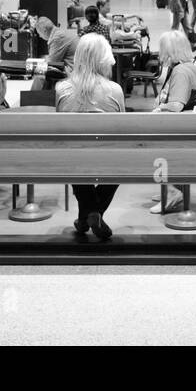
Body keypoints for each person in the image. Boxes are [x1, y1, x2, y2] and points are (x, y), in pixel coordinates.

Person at [54, 34, 124, 239]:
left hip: (71, 159)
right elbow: (122, 131)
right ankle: (94, 213)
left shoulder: (62, 89)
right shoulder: (115, 90)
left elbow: (60, 130)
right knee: (120, 165)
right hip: (108, 159)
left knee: (73, 156)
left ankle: (86, 216)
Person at [150, 29, 196, 213]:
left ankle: (173, 190)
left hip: (188, 131)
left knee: (149, 145)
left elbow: (176, 105)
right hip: (189, 127)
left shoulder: (181, 71)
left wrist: (159, 108)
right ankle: (169, 188)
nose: (160, 53)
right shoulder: (183, 66)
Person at [32, 15, 78, 90]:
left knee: (40, 74)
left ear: (44, 30)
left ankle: (32, 99)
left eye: (39, 33)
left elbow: (52, 63)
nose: (40, 36)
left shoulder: (57, 38)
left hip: (72, 72)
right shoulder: (59, 33)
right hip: (74, 68)